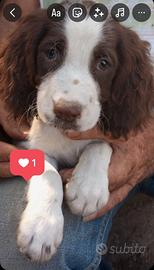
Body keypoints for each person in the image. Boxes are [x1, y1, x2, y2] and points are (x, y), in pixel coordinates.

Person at [0, 1, 154, 270]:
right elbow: (30, 152)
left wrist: (100, 151)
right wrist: (45, 190)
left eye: (103, 62)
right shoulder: (35, 26)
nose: (67, 101)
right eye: (51, 52)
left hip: (138, 122)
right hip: (41, 146)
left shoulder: (130, 63)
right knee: (23, 251)